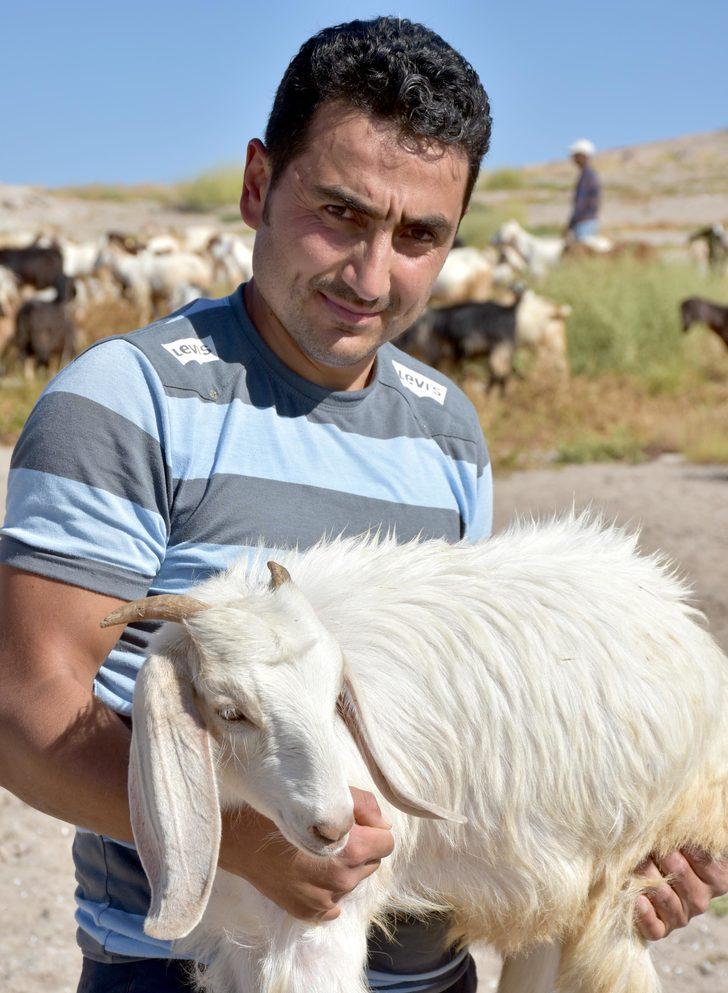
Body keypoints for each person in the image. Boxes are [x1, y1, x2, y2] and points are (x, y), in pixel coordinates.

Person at [0, 17, 725, 993]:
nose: (371, 276)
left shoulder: (444, 431)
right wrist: (249, 841)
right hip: (192, 969)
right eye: (340, 214)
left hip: (426, 976)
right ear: (258, 185)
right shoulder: (125, 401)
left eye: (418, 236)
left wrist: (620, 862)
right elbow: (22, 708)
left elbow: (467, 716)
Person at [565, 137, 601, 241]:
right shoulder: (588, 175)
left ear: (583, 156)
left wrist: (569, 225)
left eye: (575, 155)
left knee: (581, 253)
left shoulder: (587, 176)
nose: (572, 158)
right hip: (587, 222)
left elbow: (580, 204)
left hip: (584, 223)